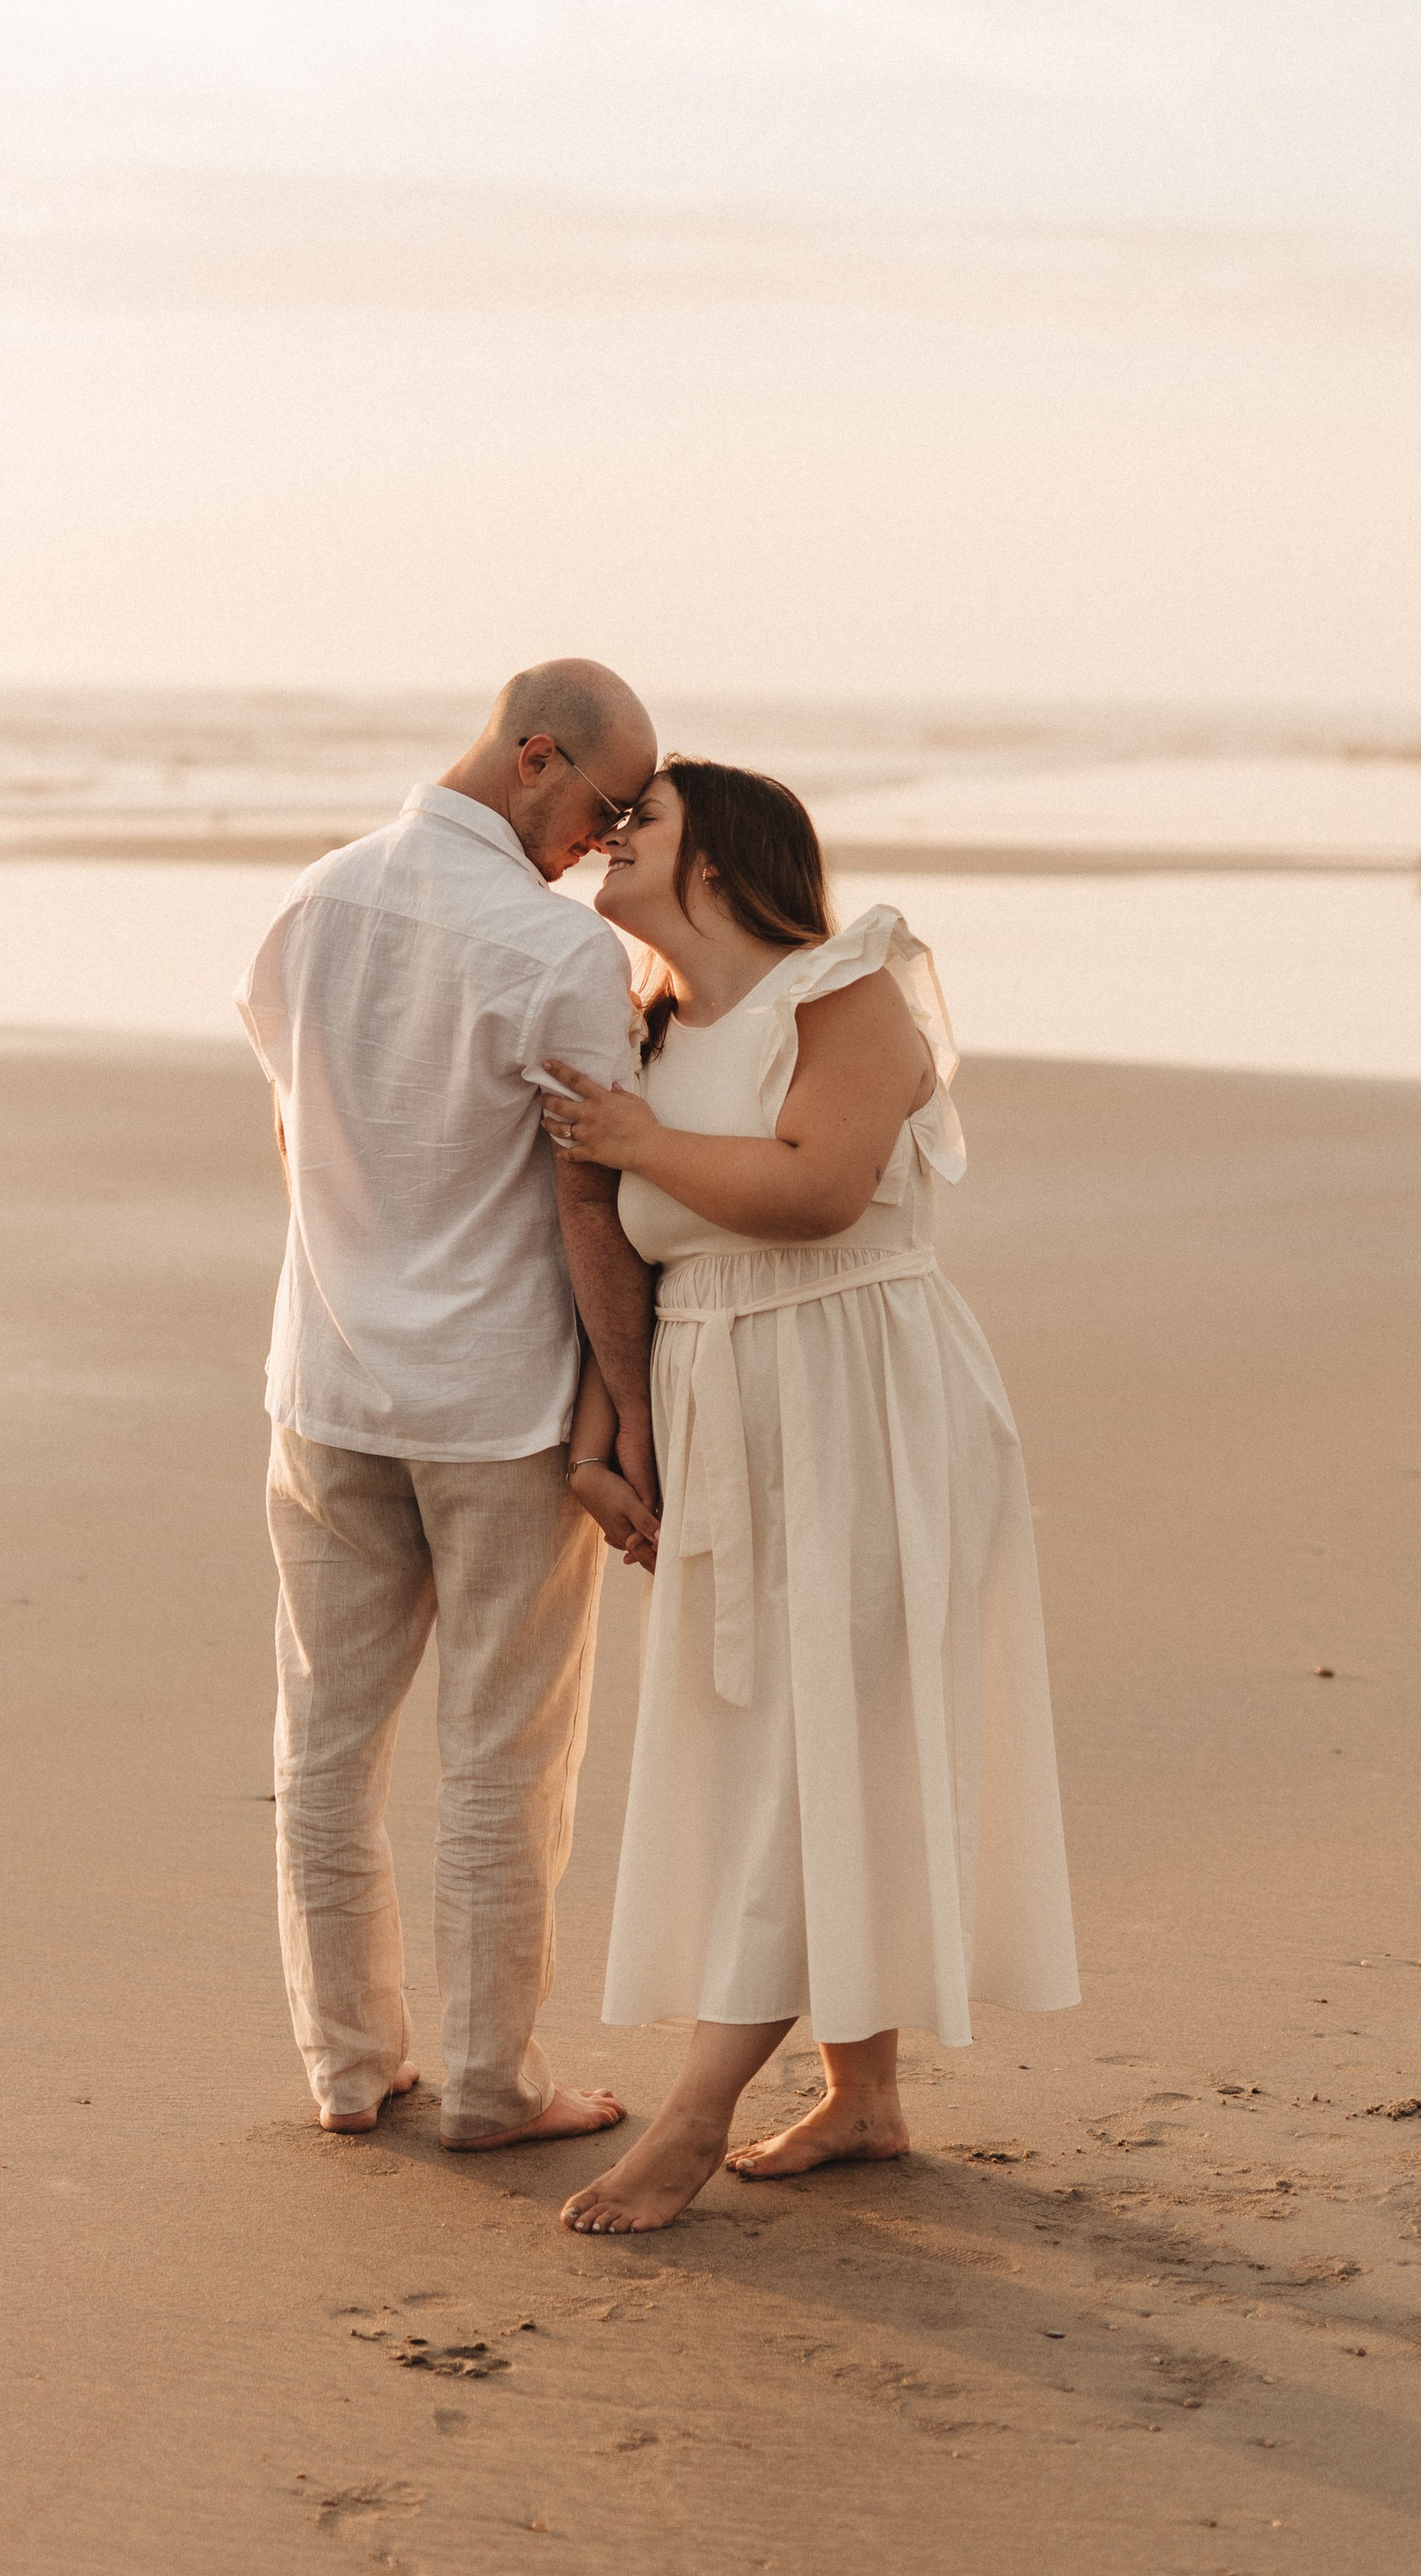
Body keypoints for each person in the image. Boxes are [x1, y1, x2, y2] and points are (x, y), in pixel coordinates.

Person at [545, 759, 1078, 2233]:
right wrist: (604, 1436)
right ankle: (866, 2093)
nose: (607, 840)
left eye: (637, 822)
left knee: (809, 1742)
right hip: (725, 1402)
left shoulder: (848, 990)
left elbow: (821, 1186)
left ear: (718, 857)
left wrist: (642, 1145)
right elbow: (639, 1270)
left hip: (868, 1391)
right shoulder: (651, 1031)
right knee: (793, 1735)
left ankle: (695, 2115)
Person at [235, 660, 663, 2149]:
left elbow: (293, 1124)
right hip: (497, 1410)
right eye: (605, 812)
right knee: (502, 1760)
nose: (602, 849)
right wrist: (634, 1419)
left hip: (329, 1385)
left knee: (324, 1748)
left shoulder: (314, 901)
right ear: (535, 755)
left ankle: (350, 2066)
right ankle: (493, 2084)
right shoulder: (556, 956)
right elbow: (591, 1205)